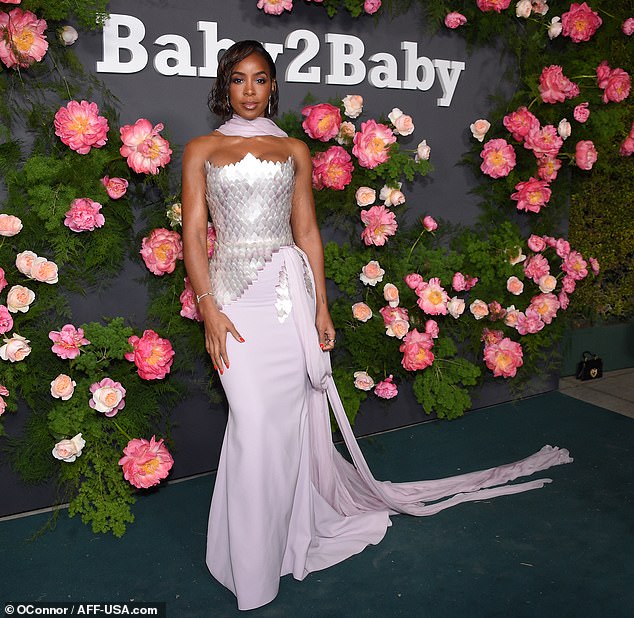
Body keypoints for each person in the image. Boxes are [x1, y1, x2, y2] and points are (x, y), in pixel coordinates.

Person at [181, 40, 572, 611]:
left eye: (259, 80)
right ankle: (250, 563)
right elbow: (194, 234)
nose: (248, 90)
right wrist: (209, 306)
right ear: (224, 85)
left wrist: (321, 307)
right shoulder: (200, 149)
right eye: (238, 79)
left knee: (281, 432)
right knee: (253, 426)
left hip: (291, 301)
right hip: (234, 303)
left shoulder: (293, 149)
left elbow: (308, 232)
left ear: (272, 86)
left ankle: (282, 548)